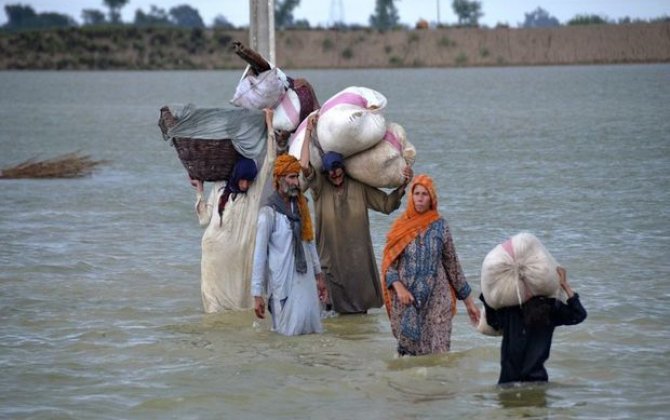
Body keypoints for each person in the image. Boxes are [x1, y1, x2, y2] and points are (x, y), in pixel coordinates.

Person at [299, 114, 412, 314]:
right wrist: (308, 131)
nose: (335, 174)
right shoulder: (320, 188)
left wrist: (403, 185)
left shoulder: (359, 187)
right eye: (330, 171)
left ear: (343, 169)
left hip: (357, 261)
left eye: (338, 169)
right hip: (330, 260)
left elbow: (386, 205)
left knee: (359, 313)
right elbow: (304, 166)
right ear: (326, 173)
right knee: (329, 312)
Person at [381, 174, 480, 356]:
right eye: (417, 193)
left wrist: (469, 303)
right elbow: (388, 266)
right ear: (411, 197)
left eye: (424, 194)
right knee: (409, 358)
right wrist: (399, 288)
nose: (420, 198)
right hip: (407, 299)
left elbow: (453, 266)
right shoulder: (400, 227)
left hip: (437, 298)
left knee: (440, 353)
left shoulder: (441, 226)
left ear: (431, 198)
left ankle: (440, 383)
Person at [191, 109, 274, 313]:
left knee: (239, 301)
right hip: (213, 255)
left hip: (239, 256)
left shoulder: (253, 195)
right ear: (236, 176)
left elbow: (271, 161)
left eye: (249, 180)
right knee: (213, 304)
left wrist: (270, 125)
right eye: (242, 179)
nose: (245, 184)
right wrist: (200, 191)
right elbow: (204, 219)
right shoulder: (219, 189)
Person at [251, 154, 328, 336]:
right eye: (291, 177)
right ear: (279, 180)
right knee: (286, 335)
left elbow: (309, 243)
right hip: (282, 284)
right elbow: (259, 255)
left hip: (306, 279)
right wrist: (257, 294)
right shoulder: (268, 214)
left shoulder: (301, 208)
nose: (296, 182)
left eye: (297, 177)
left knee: (311, 330)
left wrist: (319, 276)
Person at [480, 266, 587, 384]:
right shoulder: (551, 309)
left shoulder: (510, 309)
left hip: (508, 382)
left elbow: (493, 322)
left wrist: (488, 291)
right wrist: (564, 285)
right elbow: (579, 314)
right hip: (537, 382)